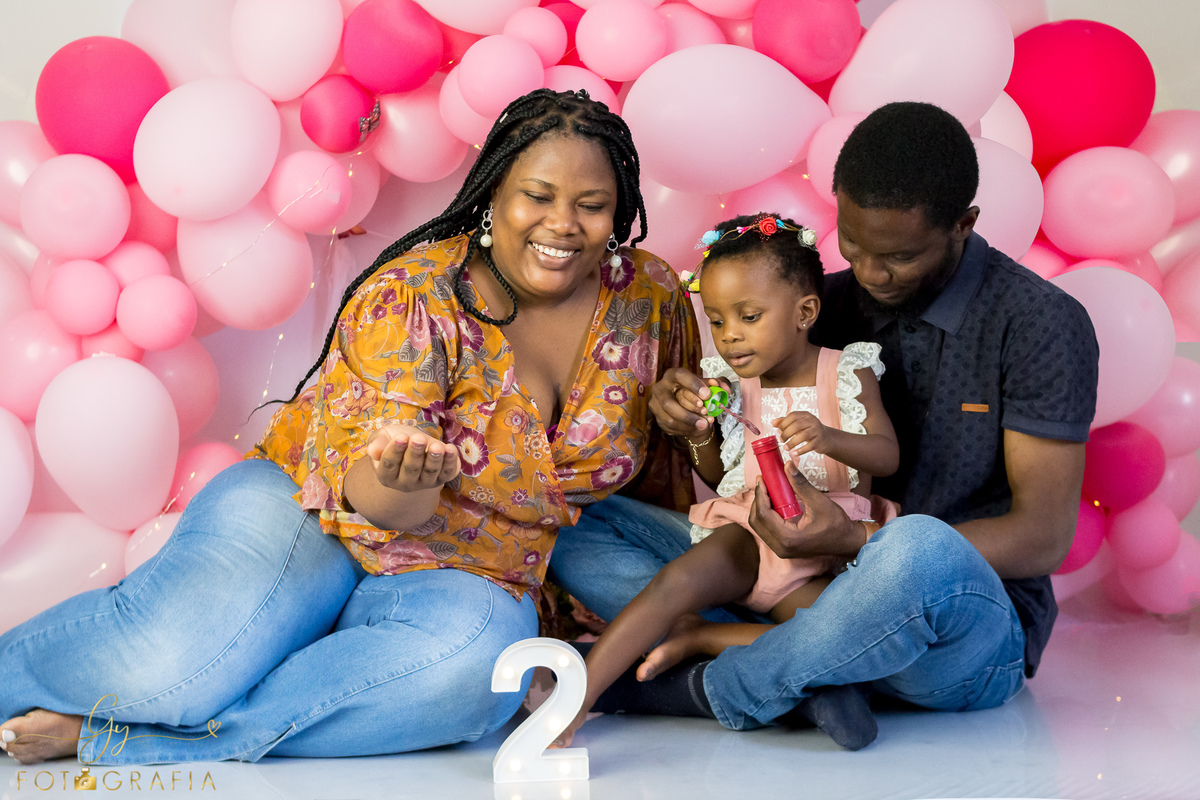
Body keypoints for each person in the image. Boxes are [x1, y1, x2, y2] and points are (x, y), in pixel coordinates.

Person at [0, 89, 698, 766]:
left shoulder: (647, 297)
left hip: (470, 566)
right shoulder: (414, 295)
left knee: (477, 676)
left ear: (619, 212)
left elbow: (670, 474)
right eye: (537, 197)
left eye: (592, 205)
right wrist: (403, 476)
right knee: (177, 668)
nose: (562, 224)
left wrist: (691, 430)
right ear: (493, 196)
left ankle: (151, 738)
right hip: (314, 511)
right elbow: (377, 501)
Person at [547, 101, 1100, 751]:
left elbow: (1041, 538)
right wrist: (689, 418)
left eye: (899, 257)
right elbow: (732, 455)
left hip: (958, 629)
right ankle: (817, 670)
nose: (870, 274)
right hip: (800, 587)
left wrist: (855, 539)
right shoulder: (818, 305)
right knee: (573, 517)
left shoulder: (1039, 324)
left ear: (964, 225)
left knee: (913, 549)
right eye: (854, 245)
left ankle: (695, 686)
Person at [553, 212, 901, 747]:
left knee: (844, 635)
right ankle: (580, 696)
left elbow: (887, 456)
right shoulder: (728, 384)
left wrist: (830, 437)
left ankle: (706, 636)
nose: (729, 336)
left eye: (748, 316)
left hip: (824, 549)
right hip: (749, 534)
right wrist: (695, 432)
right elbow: (722, 476)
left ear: (805, 311)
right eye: (716, 320)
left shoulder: (845, 371)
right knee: (672, 583)